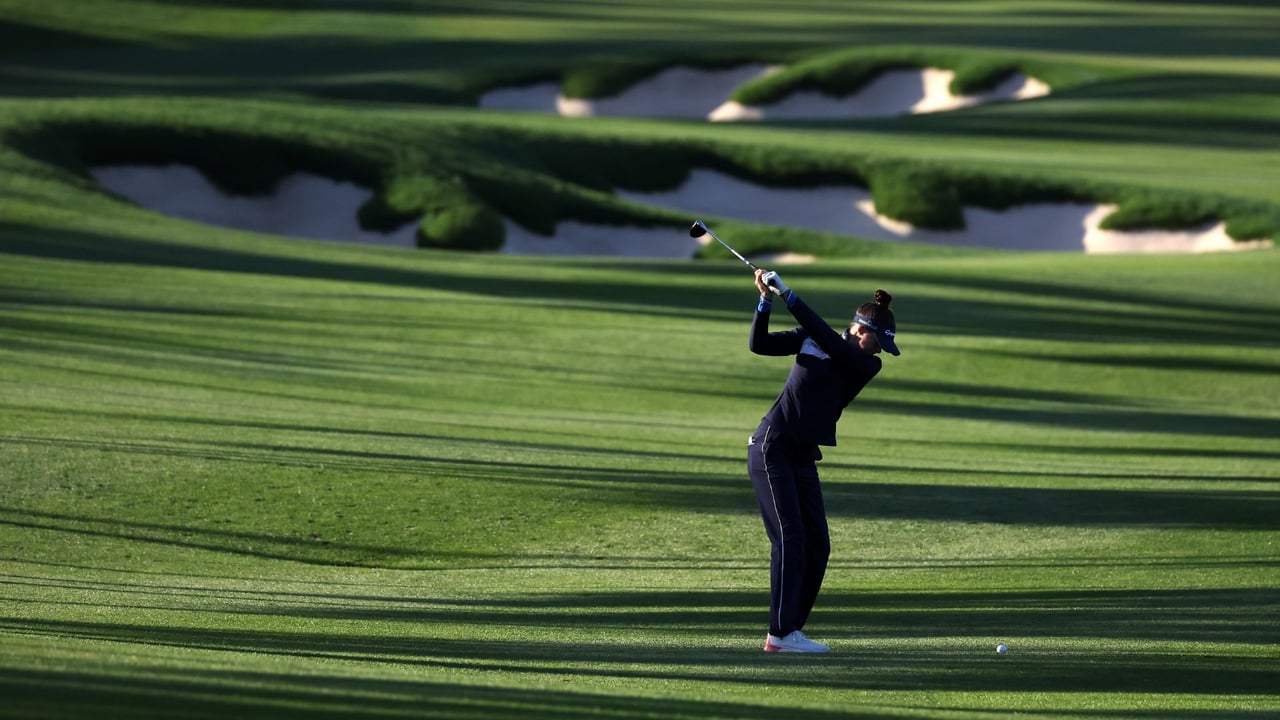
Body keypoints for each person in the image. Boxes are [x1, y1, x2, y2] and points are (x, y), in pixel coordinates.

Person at [747, 268, 899, 653]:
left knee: (818, 544)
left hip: (802, 455)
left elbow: (831, 342)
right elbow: (759, 344)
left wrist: (791, 296)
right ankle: (780, 634)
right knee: (790, 537)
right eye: (877, 341)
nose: (879, 350)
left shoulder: (865, 364)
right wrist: (766, 300)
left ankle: (789, 630)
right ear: (859, 329)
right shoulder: (814, 338)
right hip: (772, 446)